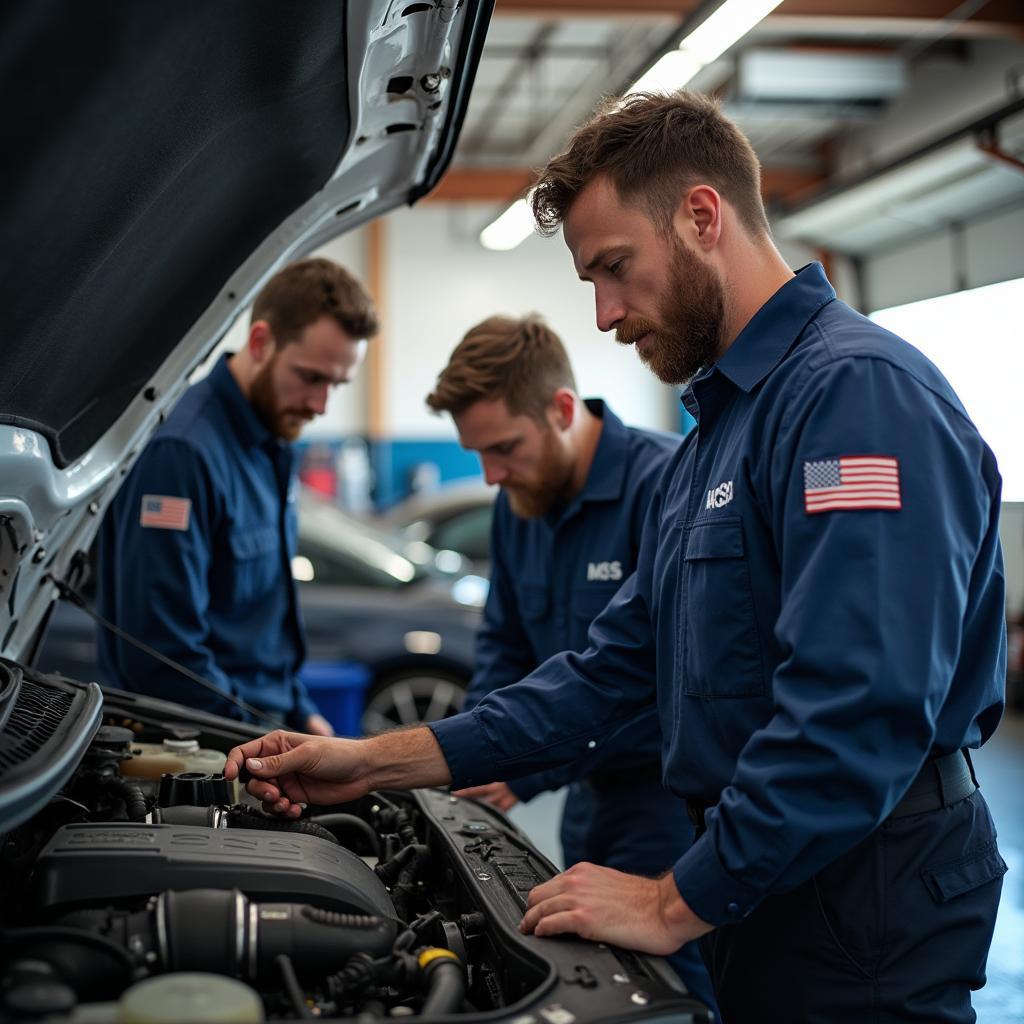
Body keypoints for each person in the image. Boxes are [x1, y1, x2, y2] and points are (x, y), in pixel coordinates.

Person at [226, 92, 1007, 1022]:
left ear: (702, 216)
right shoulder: (718, 435)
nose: (602, 315)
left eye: (614, 267)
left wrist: (676, 897)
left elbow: (859, 711)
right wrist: (370, 763)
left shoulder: (854, 398)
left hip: (864, 895)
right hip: (772, 877)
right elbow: (609, 671)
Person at [424, 314, 714, 1010]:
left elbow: (655, 678)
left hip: (669, 804)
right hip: (587, 802)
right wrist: (483, 756)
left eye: (503, 448)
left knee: (678, 988)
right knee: (593, 980)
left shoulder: (664, 485)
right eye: (479, 455)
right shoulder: (517, 503)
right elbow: (503, 644)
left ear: (561, 409)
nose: (491, 474)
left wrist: (528, 767)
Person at [98, 257, 379, 735]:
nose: (321, 405)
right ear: (260, 342)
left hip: (260, 725)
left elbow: (261, 627)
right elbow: (161, 656)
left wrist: (299, 711)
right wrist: (261, 738)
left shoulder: (271, 442)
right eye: (311, 377)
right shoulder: (183, 454)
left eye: (337, 384)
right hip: (202, 744)